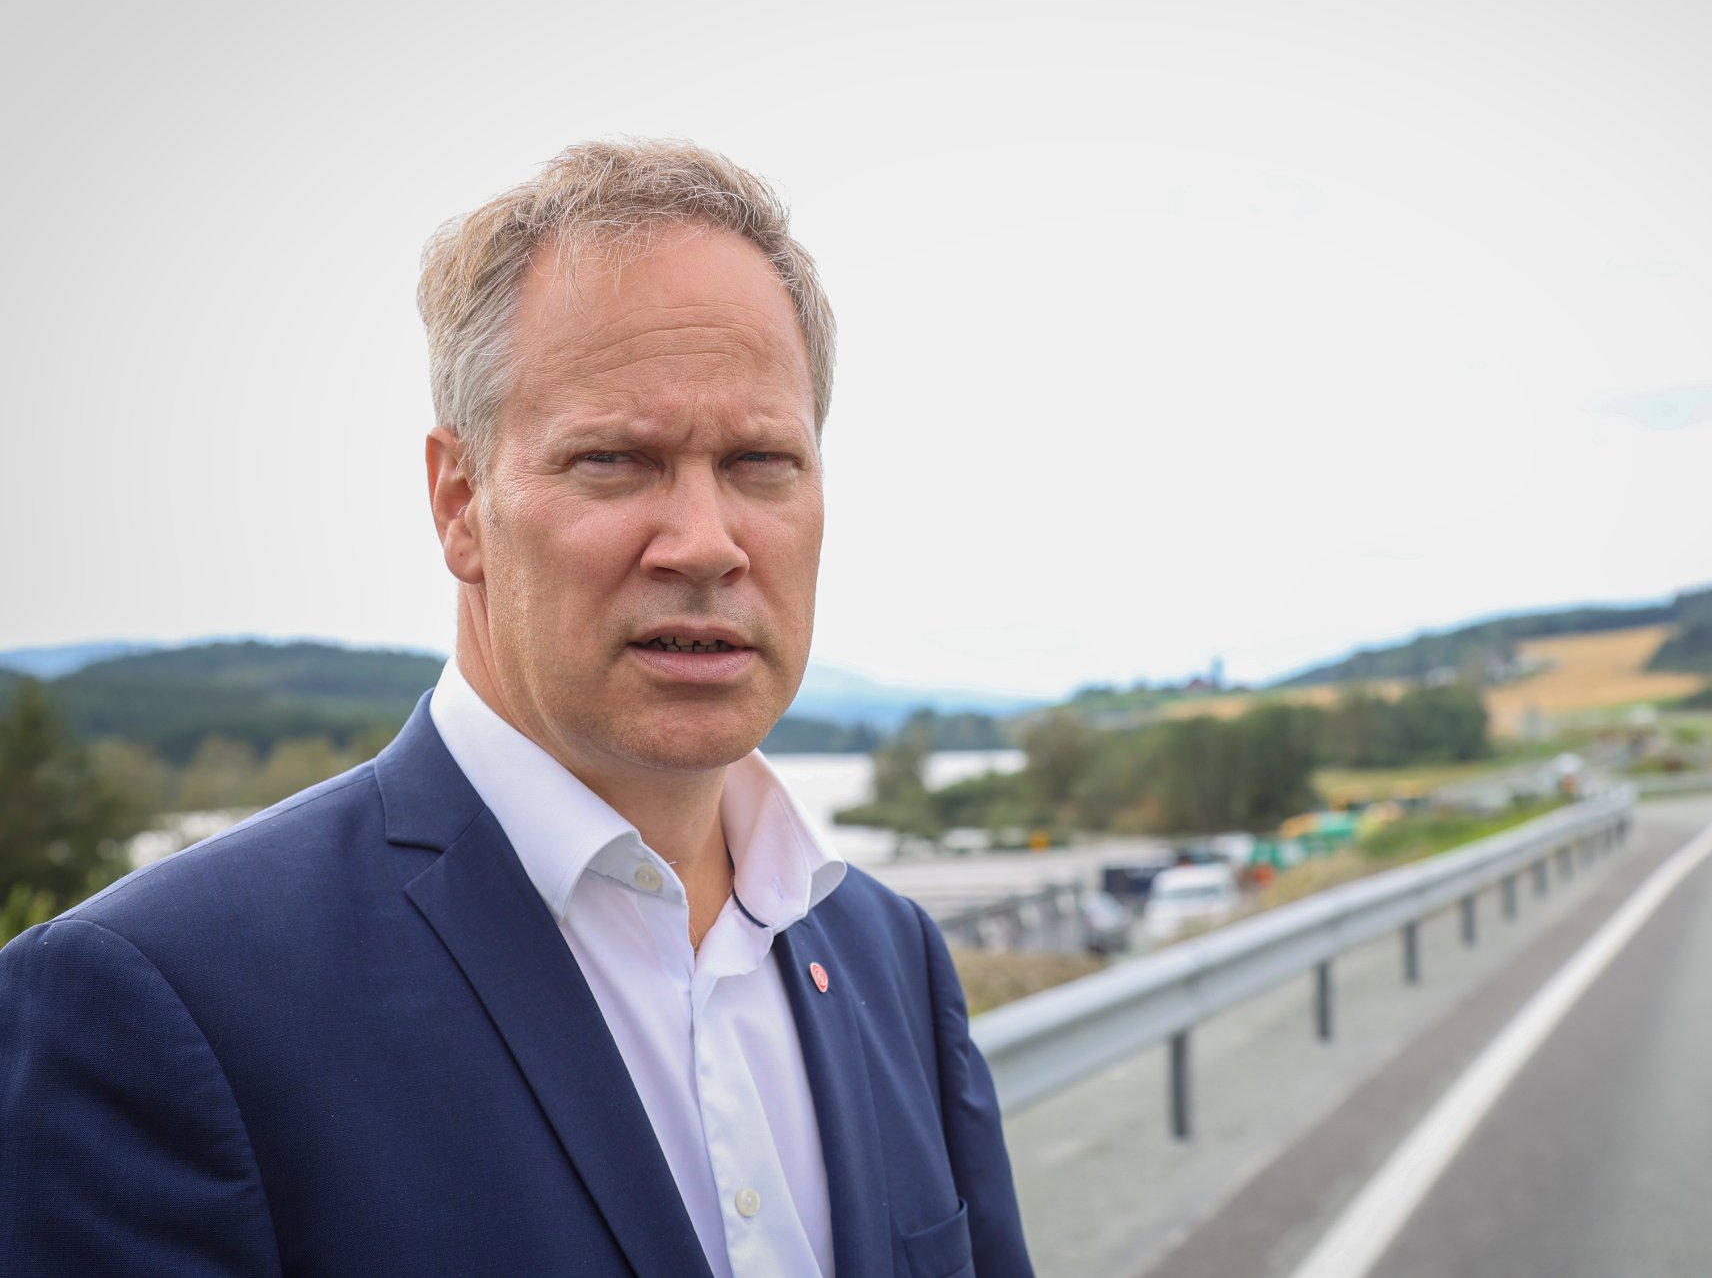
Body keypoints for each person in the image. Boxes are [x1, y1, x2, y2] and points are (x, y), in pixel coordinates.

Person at [0, 139, 1034, 1277]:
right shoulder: (158, 999)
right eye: (615, 461)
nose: (704, 542)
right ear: (459, 501)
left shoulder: (888, 956)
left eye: (758, 461)